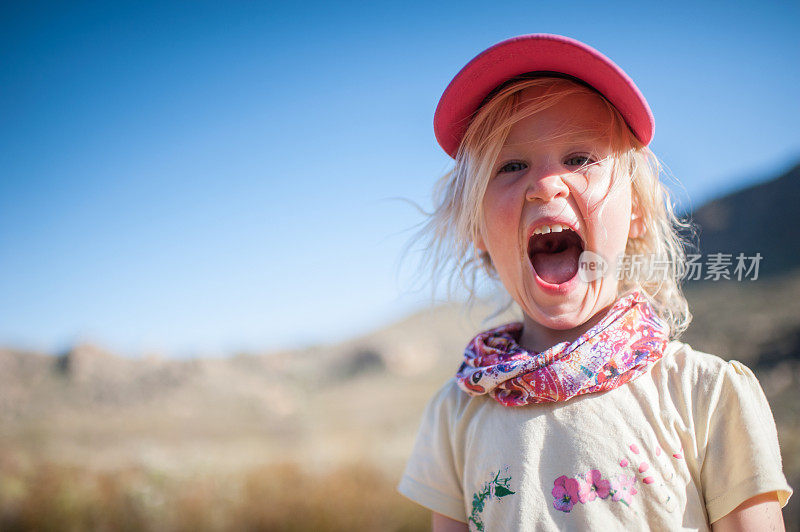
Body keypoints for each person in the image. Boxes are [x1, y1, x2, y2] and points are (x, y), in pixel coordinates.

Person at [396, 34, 792, 531]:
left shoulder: (704, 393)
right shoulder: (455, 413)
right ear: (477, 229)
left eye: (580, 158)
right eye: (511, 165)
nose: (545, 185)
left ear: (639, 212)